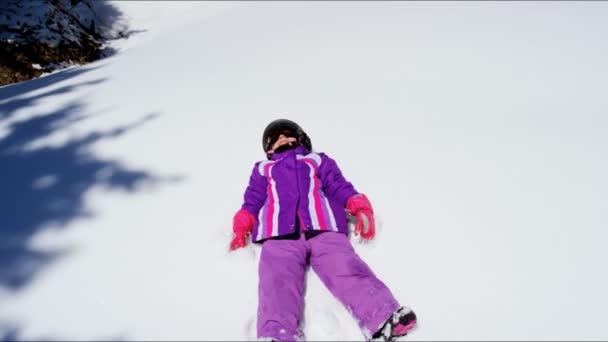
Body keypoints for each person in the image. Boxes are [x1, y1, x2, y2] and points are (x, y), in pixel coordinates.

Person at [229, 119, 417, 341]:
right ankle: (277, 334)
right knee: (276, 280)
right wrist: (243, 224)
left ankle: (382, 316)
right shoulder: (263, 169)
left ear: (301, 140)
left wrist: (359, 206)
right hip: (279, 234)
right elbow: (253, 199)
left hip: (323, 227)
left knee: (345, 267)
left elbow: (339, 185)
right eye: (275, 138)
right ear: (268, 150)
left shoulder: (317, 161)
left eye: (287, 134)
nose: (282, 138)